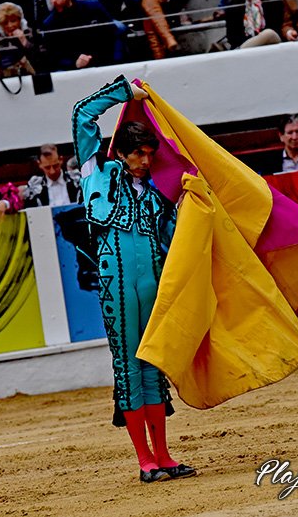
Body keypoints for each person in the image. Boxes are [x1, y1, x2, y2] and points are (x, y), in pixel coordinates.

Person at [71, 76, 195, 483]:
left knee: (152, 368)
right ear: (121, 153)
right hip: (117, 289)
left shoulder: (158, 196)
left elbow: (177, 243)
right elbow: (82, 114)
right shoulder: (97, 172)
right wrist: (124, 92)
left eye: (149, 154)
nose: (145, 160)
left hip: (151, 287)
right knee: (128, 368)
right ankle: (145, 461)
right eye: (138, 153)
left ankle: (164, 456)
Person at [41, 0, 119, 71]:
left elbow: (113, 33)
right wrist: (75, 63)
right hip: (74, 69)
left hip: (105, 60)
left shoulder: (93, 7)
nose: (53, 0)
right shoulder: (49, 23)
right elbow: (54, 56)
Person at [0, 1, 38, 79]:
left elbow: (40, 58)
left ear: (19, 20)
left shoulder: (29, 33)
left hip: (27, 77)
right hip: (2, 79)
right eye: (5, 23)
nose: (10, 25)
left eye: (13, 21)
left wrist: (24, 41)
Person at [23, 143, 82, 208]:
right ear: (40, 164)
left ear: (61, 160)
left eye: (55, 166)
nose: (52, 171)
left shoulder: (77, 179)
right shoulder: (34, 186)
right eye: (47, 167)